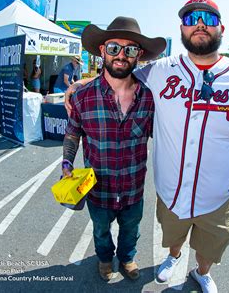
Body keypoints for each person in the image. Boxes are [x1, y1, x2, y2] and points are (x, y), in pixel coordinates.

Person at [66, 0, 229, 293]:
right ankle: (173, 257)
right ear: (182, 29)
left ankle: (201, 273)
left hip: (217, 198)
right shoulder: (160, 71)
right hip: (172, 193)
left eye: (209, 19)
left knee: (208, 251)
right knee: (173, 236)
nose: (200, 24)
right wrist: (78, 86)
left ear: (221, 28)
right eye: (192, 19)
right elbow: (117, 73)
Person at [61, 16, 166, 282]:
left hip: (133, 188)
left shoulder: (149, 99)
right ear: (102, 50)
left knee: (131, 230)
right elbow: (73, 134)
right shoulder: (83, 97)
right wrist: (66, 165)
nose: (121, 55)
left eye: (130, 49)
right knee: (100, 231)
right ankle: (105, 259)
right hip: (99, 190)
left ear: (139, 55)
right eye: (114, 48)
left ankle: (128, 257)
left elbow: (167, 138)